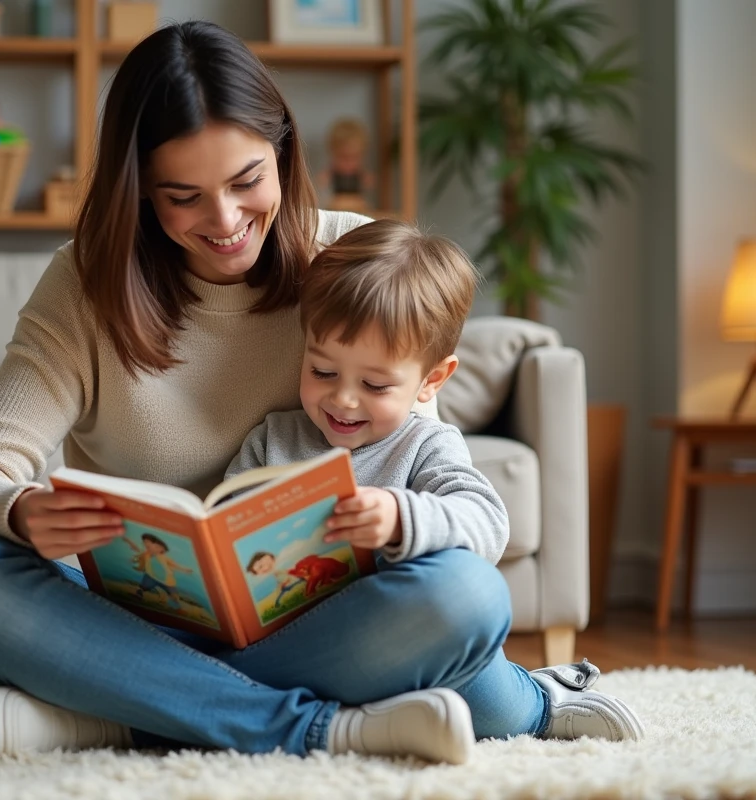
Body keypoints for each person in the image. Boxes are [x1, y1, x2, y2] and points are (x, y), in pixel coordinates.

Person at [0, 20, 641, 767]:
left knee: (466, 600)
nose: (225, 222)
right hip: (136, 617)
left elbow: (416, 457)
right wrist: (23, 512)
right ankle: (318, 728)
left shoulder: (355, 265)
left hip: (319, 624)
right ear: (140, 192)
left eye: (247, 180)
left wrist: (388, 527)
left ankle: (123, 714)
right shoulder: (86, 286)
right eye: (183, 196)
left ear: (284, 152)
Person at [226, 216, 645, 744]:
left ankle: (540, 703)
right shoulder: (274, 439)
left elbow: (488, 522)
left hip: (402, 637)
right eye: (323, 371)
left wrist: (401, 517)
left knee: (473, 615)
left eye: (375, 384)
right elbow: (228, 521)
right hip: (298, 643)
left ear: (432, 381)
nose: (343, 399)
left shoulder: (427, 444)